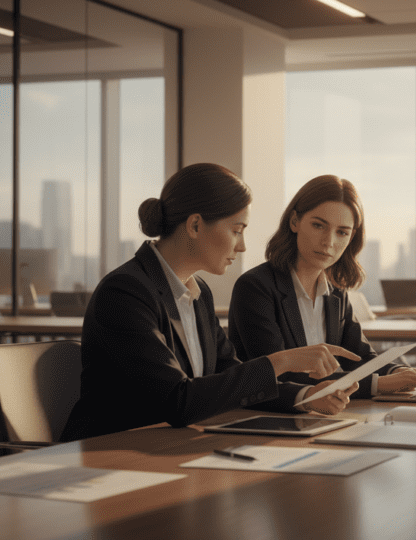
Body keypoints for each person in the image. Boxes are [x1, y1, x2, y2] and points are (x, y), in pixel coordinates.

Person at [61, 164, 359, 442]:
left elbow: (230, 379)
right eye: (237, 230)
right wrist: (282, 361)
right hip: (114, 455)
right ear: (194, 226)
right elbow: (176, 401)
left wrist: (306, 396)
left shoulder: (197, 293)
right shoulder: (125, 293)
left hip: (175, 447)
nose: (242, 246)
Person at [229, 174, 416, 398]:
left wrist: (401, 372)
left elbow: (359, 356)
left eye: (341, 232)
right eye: (318, 225)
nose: (329, 242)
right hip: (272, 418)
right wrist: (379, 384)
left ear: (351, 237)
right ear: (294, 221)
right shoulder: (256, 288)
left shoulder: (336, 293)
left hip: (329, 415)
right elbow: (282, 375)